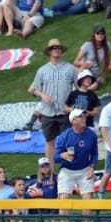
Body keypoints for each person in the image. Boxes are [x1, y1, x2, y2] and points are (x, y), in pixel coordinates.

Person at [28, 39, 77, 173]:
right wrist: (42, 95)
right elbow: (34, 88)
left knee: (69, 141)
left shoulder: (70, 68)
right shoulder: (42, 71)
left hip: (65, 112)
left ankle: (71, 167)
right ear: (49, 51)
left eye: (58, 48)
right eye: (53, 48)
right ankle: (49, 170)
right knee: (50, 141)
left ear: (61, 50)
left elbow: (78, 89)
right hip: (48, 113)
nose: (56, 50)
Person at [55, 108, 98, 222]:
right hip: (67, 170)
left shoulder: (91, 135)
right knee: (63, 200)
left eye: (85, 115)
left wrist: (92, 167)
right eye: (80, 116)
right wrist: (63, 155)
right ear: (73, 120)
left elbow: (95, 153)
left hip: (84, 169)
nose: (84, 117)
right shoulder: (64, 137)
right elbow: (54, 157)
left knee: (88, 200)